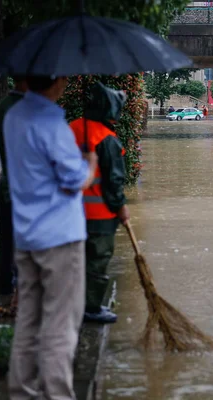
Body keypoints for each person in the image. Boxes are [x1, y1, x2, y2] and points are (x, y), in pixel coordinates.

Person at [4, 76, 98, 400]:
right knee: (60, 324)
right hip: (59, 238)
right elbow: (74, 180)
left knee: (28, 320)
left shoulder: (13, 117)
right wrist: (90, 165)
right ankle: (57, 394)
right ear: (57, 81)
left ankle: (22, 392)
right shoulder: (51, 122)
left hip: (26, 235)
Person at [69, 82, 130, 324]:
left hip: (69, 211)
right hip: (99, 213)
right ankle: (91, 307)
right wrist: (121, 208)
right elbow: (114, 181)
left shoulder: (71, 128)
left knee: (75, 259)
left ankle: (73, 303)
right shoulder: (106, 139)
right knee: (96, 260)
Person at [0, 76, 28, 299]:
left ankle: (6, 283)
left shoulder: (3, 105)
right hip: (21, 186)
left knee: (7, 238)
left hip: (6, 182)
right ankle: (15, 282)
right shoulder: (20, 108)